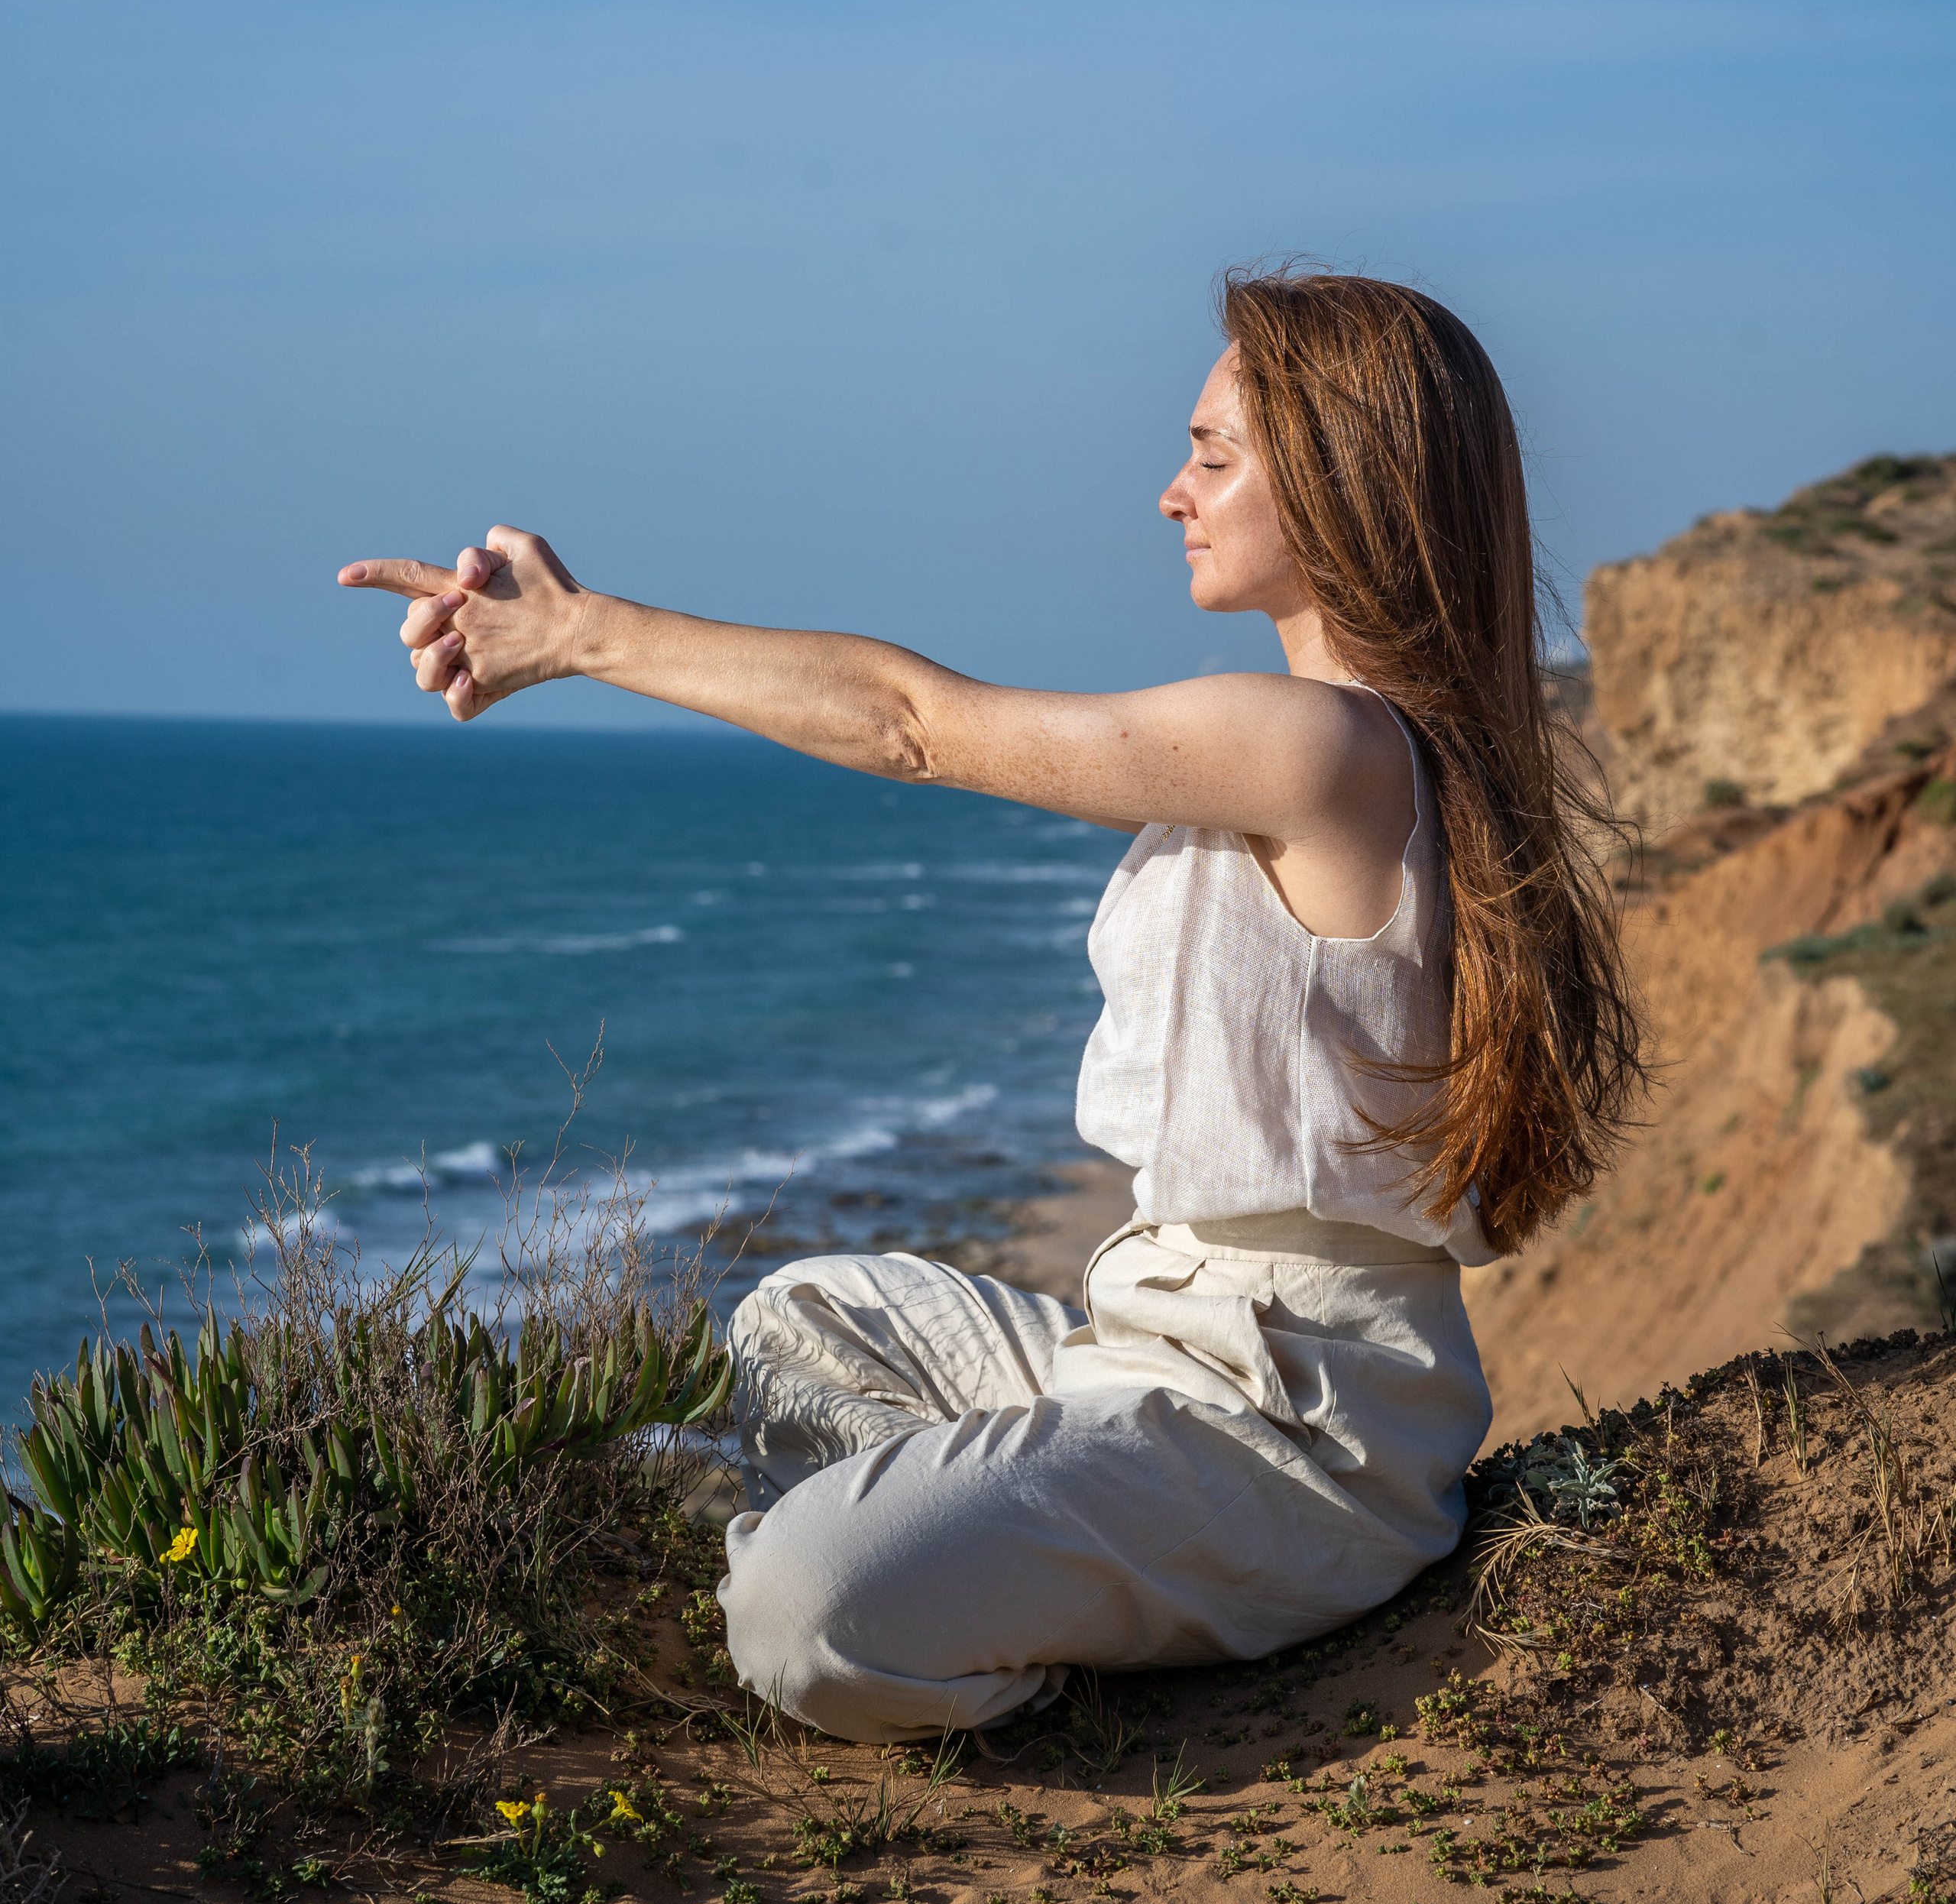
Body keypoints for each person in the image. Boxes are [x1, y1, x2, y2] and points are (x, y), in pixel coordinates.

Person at [339, 266, 1641, 1744]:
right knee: (798, 1322)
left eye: (1215, 455)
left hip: (1288, 1425)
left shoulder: (1318, 745)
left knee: (798, 1610)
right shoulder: (1342, 748)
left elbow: (915, 725)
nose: (1172, 492)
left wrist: (580, 633)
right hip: (1149, 1347)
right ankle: (1028, 1563)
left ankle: (1067, 1673)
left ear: (1347, 477)